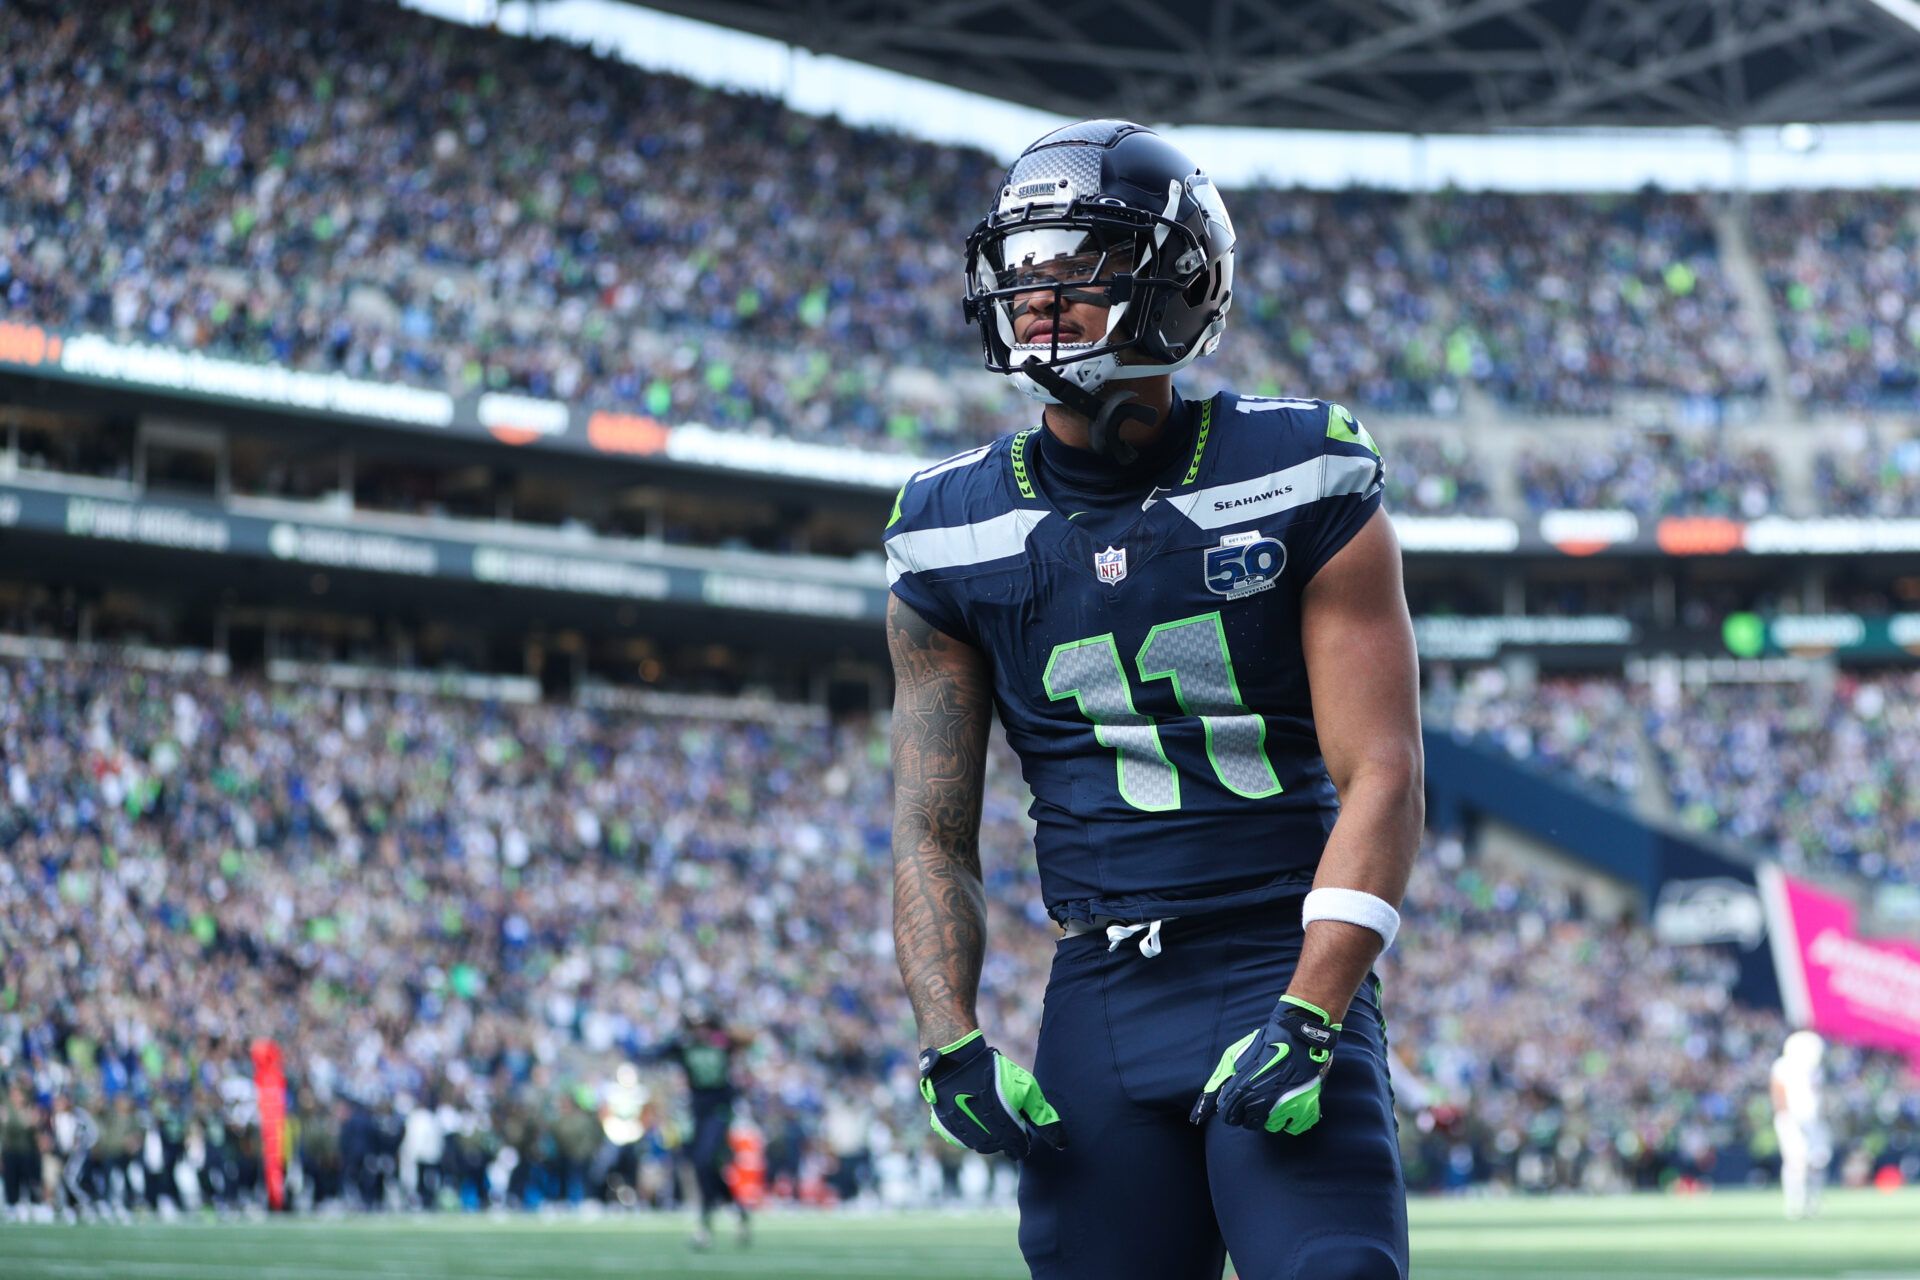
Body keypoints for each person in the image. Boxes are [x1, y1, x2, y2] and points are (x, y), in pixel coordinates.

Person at [885, 120, 1421, 1279]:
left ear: (1180, 280)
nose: (1039, 294)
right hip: (1102, 990)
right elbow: (932, 828)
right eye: (1023, 265)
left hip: (1280, 955)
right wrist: (948, 1034)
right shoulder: (946, 524)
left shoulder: (1298, 469)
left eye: (1080, 258)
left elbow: (1384, 769)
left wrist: (1316, 1008)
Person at [641, 1001, 753, 1249]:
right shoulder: (684, 1045)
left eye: (704, 1025)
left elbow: (751, 1038)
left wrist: (725, 1032)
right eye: (695, 1025)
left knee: (704, 1161)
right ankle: (737, 1209)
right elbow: (651, 1055)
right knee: (705, 1167)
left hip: (720, 1109)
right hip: (697, 1112)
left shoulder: (723, 1042)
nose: (700, 1030)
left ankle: (705, 1223)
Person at [1771, 1029, 1831, 1220]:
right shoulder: (1782, 1066)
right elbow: (1778, 1095)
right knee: (1796, 1161)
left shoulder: (1815, 1069)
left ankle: (1813, 1200)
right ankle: (1794, 1203)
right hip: (1791, 1120)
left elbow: (1818, 1096)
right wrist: (1787, 1118)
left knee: (1817, 1160)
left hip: (1813, 1121)